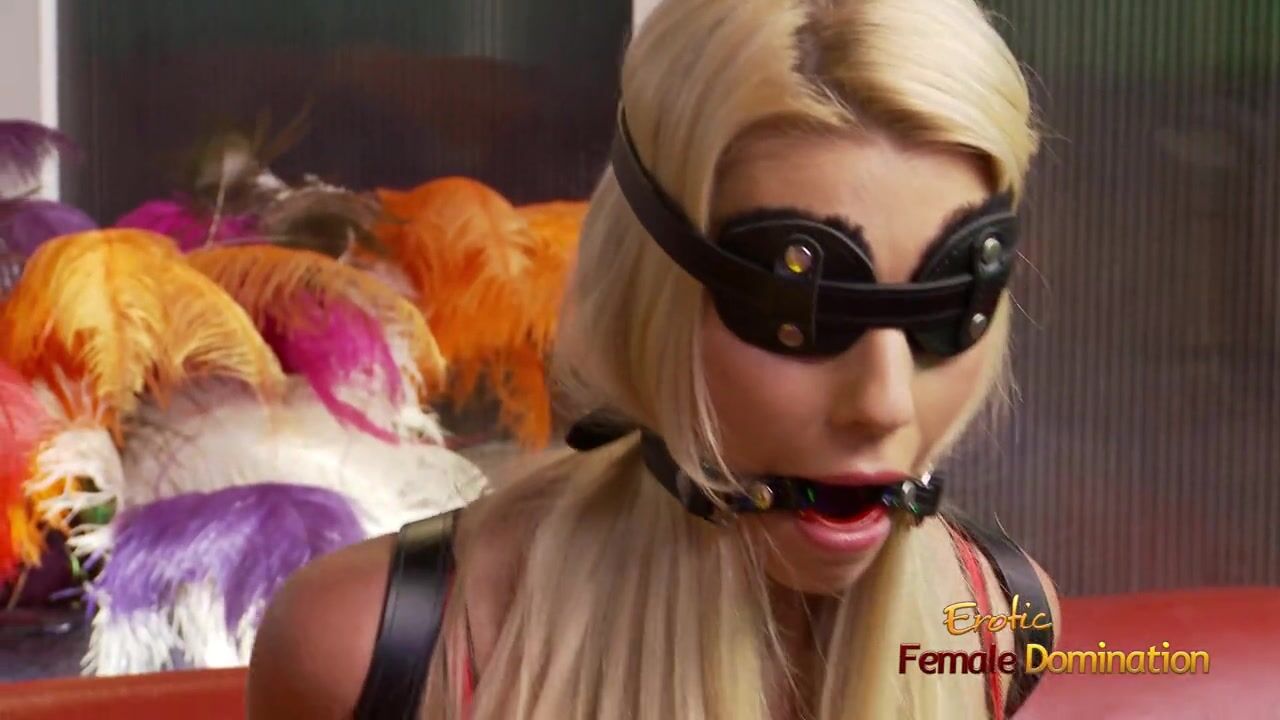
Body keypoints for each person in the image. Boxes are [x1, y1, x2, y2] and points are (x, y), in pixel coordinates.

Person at [247, 0, 1060, 717]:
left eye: (946, 305)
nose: (885, 403)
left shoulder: (998, 625)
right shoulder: (367, 651)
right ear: (652, 288)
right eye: (798, 312)